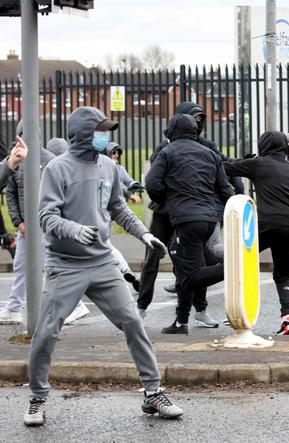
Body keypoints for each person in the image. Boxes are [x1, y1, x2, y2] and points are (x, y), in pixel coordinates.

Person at [24, 106, 182, 427]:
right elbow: (46, 217)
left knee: (133, 322)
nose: (105, 137)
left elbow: (118, 207)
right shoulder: (57, 169)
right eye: (99, 131)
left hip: (102, 261)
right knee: (46, 332)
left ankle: (153, 393)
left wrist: (145, 234)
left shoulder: (108, 167)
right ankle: (37, 397)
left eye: (106, 131)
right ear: (83, 133)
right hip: (65, 264)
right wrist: (73, 229)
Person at [137, 101, 236, 318]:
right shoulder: (165, 148)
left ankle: (198, 310)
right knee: (153, 257)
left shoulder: (206, 146)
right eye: (195, 118)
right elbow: (155, 179)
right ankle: (142, 305)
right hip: (166, 213)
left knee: (195, 261)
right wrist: (169, 197)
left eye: (201, 118)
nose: (199, 122)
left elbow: (224, 167)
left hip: (186, 214)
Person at [1, 127, 90, 326]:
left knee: (53, 266)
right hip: (27, 229)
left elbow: (64, 193)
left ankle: (75, 306)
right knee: (22, 267)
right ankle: (15, 307)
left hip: (48, 226)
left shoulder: (51, 161)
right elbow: (11, 193)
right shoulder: (16, 160)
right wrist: (19, 222)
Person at [224, 131, 289, 334]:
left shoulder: (258, 164)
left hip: (270, 224)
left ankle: (238, 310)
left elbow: (227, 168)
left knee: (239, 261)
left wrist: (246, 161)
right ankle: (287, 317)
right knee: (283, 274)